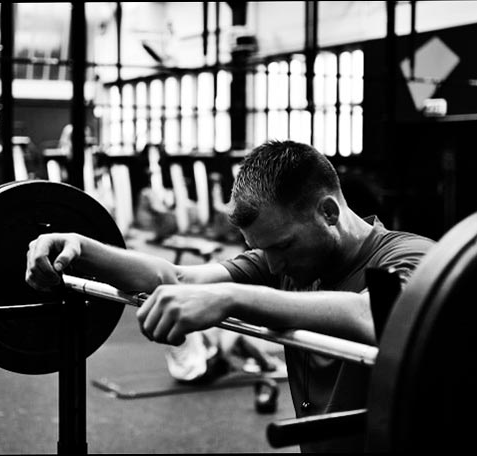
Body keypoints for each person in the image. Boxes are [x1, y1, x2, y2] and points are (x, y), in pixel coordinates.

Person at [25, 140, 435, 452]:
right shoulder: (289, 262)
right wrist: (81, 248)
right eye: (264, 250)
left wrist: (234, 298)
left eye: (282, 247)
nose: (272, 266)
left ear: (328, 212)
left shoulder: (409, 255)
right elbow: (180, 279)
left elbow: (374, 314)